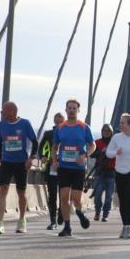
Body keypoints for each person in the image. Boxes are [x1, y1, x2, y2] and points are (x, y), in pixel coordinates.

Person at [51, 98, 96, 237]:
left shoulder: (84, 127)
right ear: (66, 110)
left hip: (78, 168)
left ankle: (79, 212)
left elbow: (93, 145)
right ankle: (67, 226)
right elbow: (54, 147)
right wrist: (54, 160)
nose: (71, 110)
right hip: (64, 167)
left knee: (76, 199)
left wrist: (85, 155)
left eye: (74, 108)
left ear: (78, 110)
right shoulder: (60, 128)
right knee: (64, 197)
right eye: (69, 108)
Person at [0, 101, 39, 234]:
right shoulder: (2, 124)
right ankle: (0, 223)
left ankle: (22, 220)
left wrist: (31, 158)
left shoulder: (25, 124)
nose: (1, 113)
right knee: (3, 189)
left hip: (21, 163)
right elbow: (0, 140)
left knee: (21, 192)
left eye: (3, 110)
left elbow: (35, 142)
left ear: (12, 111)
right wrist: (0, 156)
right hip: (7, 162)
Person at [38, 112, 65, 229]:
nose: (59, 122)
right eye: (57, 120)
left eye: (61, 121)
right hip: (51, 166)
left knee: (63, 194)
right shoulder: (48, 134)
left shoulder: (68, 133)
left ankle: (61, 213)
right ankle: (53, 220)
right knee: (52, 194)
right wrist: (42, 156)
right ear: (54, 121)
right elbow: (41, 148)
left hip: (65, 167)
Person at [91, 124, 116, 222]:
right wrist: (101, 151)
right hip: (100, 172)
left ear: (111, 132)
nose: (106, 132)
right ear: (102, 132)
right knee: (97, 195)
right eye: (104, 130)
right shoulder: (97, 142)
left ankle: (105, 214)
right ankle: (97, 212)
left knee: (109, 197)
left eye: (108, 131)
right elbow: (92, 155)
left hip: (111, 173)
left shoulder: (115, 143)